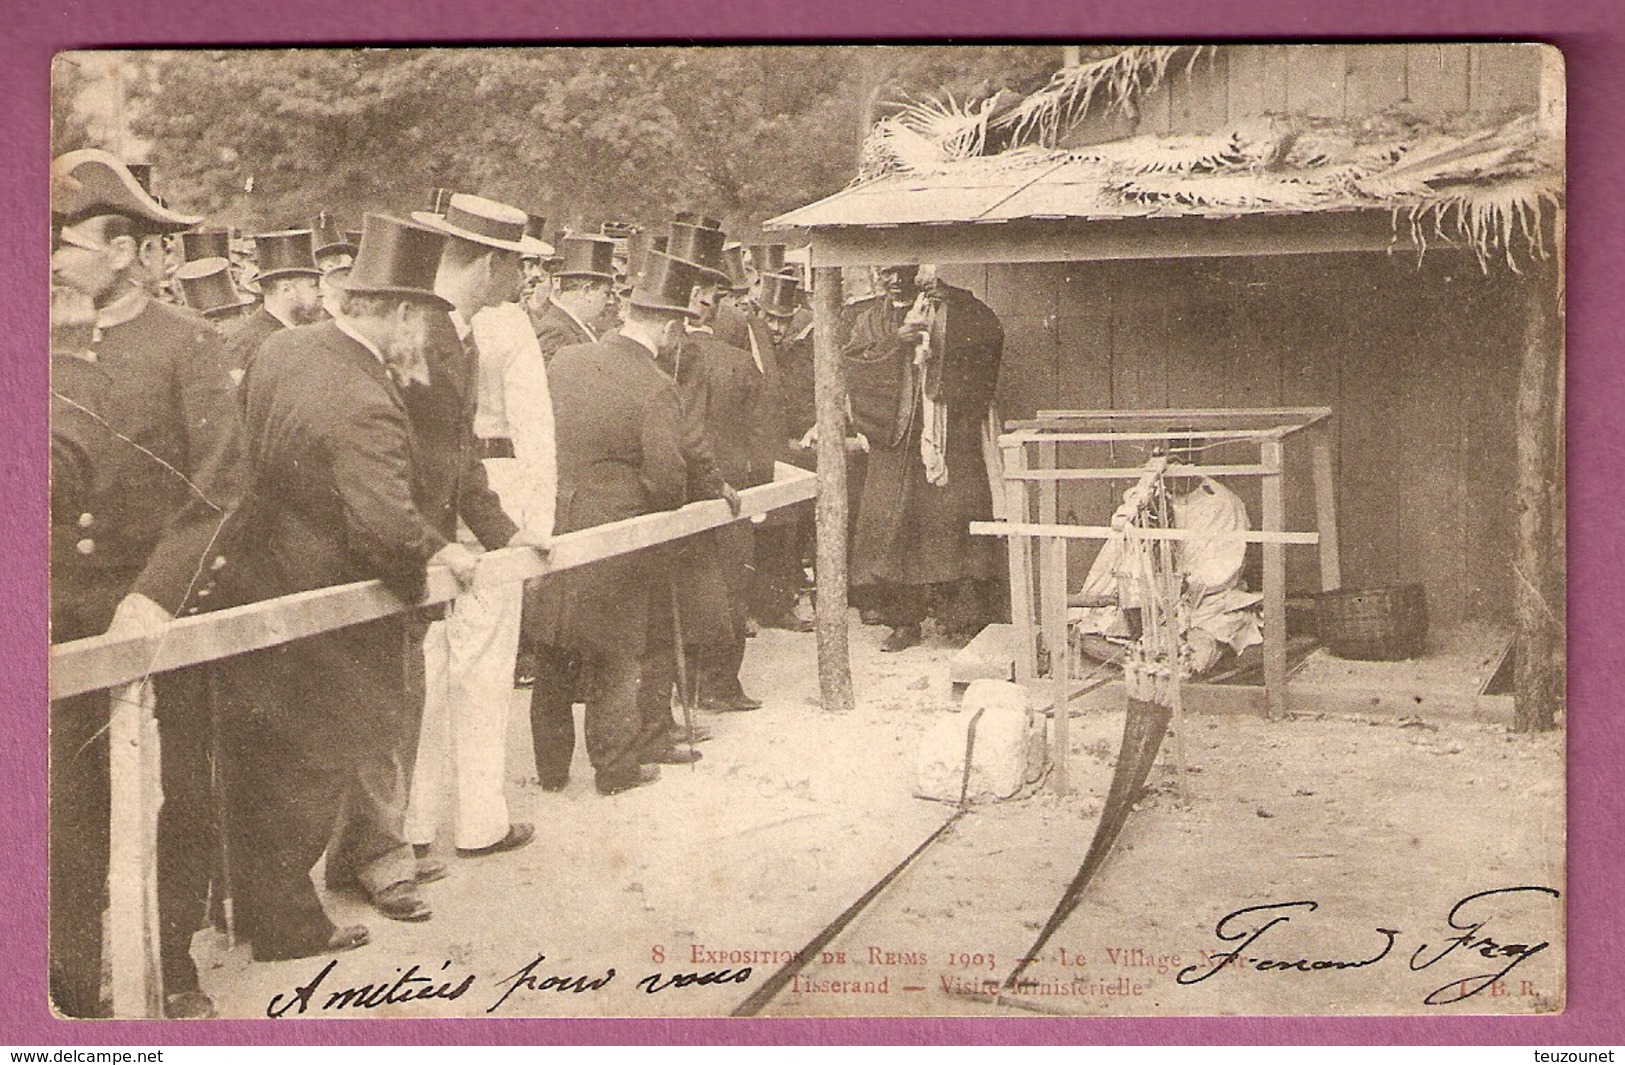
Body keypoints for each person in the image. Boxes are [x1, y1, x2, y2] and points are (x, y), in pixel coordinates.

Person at [225, 213, 480, 961]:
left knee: (274, 761)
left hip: (263, 581)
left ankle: (268, 910)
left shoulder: (285, 347)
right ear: (399, 311)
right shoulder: (366, 394)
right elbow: (384, 528)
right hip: (334, 607)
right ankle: (287, 926)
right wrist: (435, 571)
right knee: (318, 765)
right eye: (426, 318)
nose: (427, 337)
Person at [49, 149, 248, 1018]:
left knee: (185, 790)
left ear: (124, 250)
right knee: (66, 794)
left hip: (164, 602)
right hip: (60, 609)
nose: (55, 259)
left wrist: (156, 594)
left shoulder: (190, 344)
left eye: (73, 244)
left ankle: (172, 965)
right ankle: (69, 975)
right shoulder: (34, 342)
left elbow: (221, 487)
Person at [403, 194, 555, 863]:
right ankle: (477, 820)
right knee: (477, 668)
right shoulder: (448, 330)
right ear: (491, 264)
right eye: (514, 266)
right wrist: (525, 524)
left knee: (432, 673)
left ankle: (413, 822)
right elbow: (527, 433)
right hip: (441, 522)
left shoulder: (436, 322)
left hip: (453, 518)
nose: (520, 281)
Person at [529, 250, 696, 796]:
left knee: (555, 647)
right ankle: (615, 768)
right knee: (615, 653)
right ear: (669, 327)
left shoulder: (568, 361)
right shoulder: (655, 385)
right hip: (618, 532)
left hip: (559, 517)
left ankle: (552, 770)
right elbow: (669, 481)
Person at [845, 264, 1004, 651]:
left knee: (949, 526)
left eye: (904, 273)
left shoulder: (959, 307)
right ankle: (903, 622)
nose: (896, 282)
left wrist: (946, 322)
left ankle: (960, 619)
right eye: (888, 274)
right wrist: (895, 343)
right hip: (894, 440)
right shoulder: (870, 320)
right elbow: (852, 365)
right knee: (894, 529)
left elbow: (990, 337)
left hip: (944, 437)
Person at [1069, 452, 1263, 677]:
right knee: (1090, 631)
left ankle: (1161, 660)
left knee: (1204, 641)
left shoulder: (1223, 503)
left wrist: (1185, 584)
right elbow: (1120, 556)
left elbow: (1226, 563)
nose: (1172, 486)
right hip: (1154, 597)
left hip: (1205, 599)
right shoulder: (1152, 500)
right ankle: (1148, 658)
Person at [222, 228, 325, 376]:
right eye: (313, 285)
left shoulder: (292, 332)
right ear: (286, 290)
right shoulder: (248, 345)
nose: (321, 293)